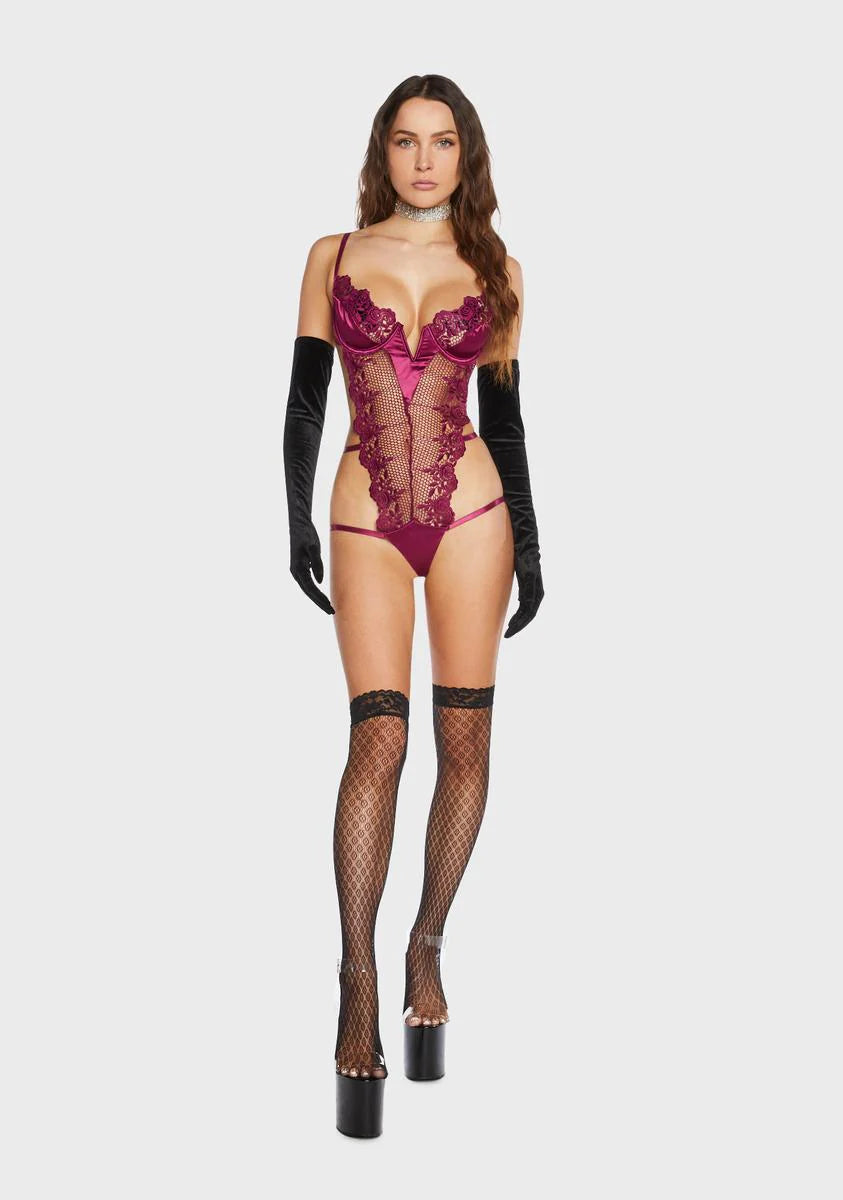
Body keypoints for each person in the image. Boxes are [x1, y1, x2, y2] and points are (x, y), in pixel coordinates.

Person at [283, 75, 545, 1138]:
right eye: (406, 140)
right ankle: (356, 983)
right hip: (363, 517)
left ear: (465, 154)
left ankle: (425, 944)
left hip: (474, 515)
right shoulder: (332, 256)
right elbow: (304, 402)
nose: (425, 160)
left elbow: (507, 422)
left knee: (465, 742)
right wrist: (293, 519)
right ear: (381, 152)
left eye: (443, 142)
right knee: (378, 741)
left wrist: (533, 542)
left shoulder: (499, 269)